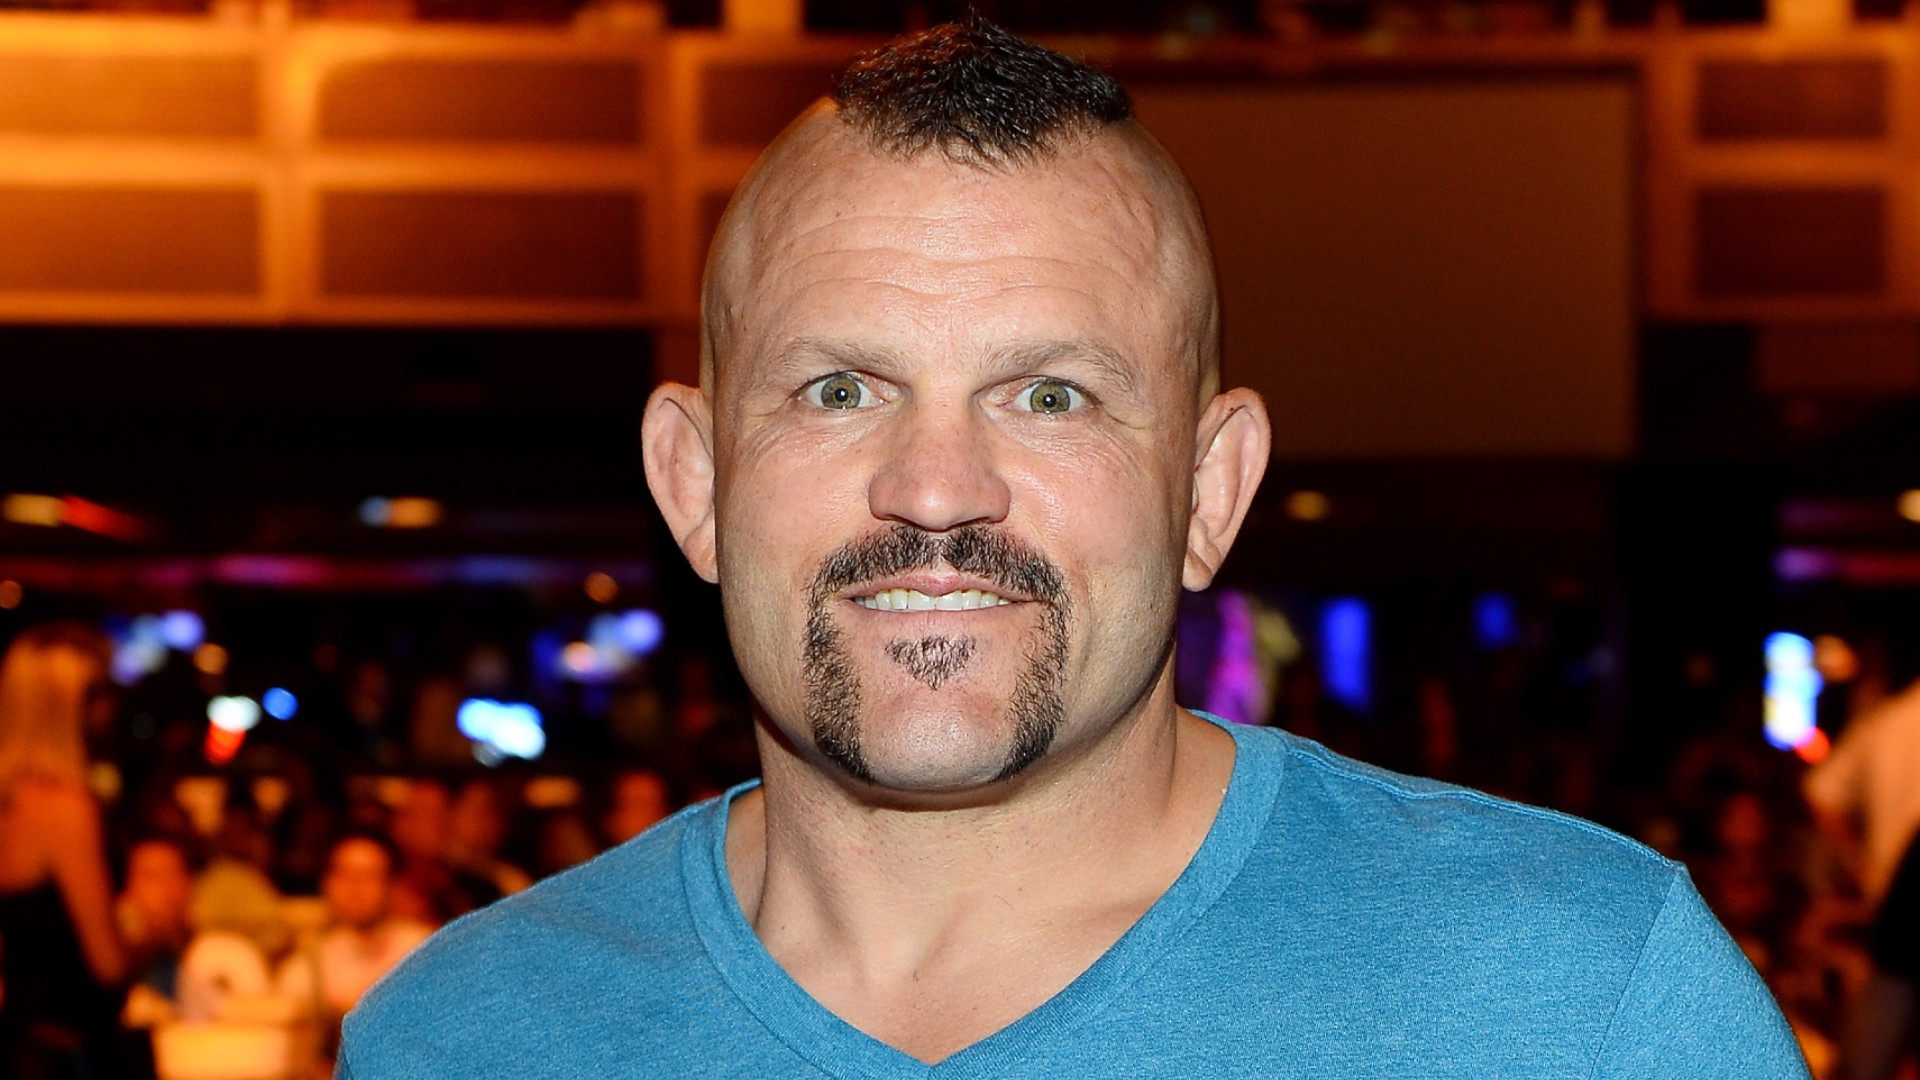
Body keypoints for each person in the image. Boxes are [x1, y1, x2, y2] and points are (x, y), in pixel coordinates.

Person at [341, 18, 1807, 1076]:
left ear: (1212, 491)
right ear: (694, 481)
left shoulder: (1588, 1001)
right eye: (839, 389)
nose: (934, 487)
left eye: (1052, 395)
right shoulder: (460, 1037)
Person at [0, 624, 130, 1079]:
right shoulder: (63, 804)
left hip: (20, 1041)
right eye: (99, 694)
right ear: (69, 707)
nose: (111, 711)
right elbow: (107, 964)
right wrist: (148, 926)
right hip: (65, 1051)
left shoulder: (10, 800)